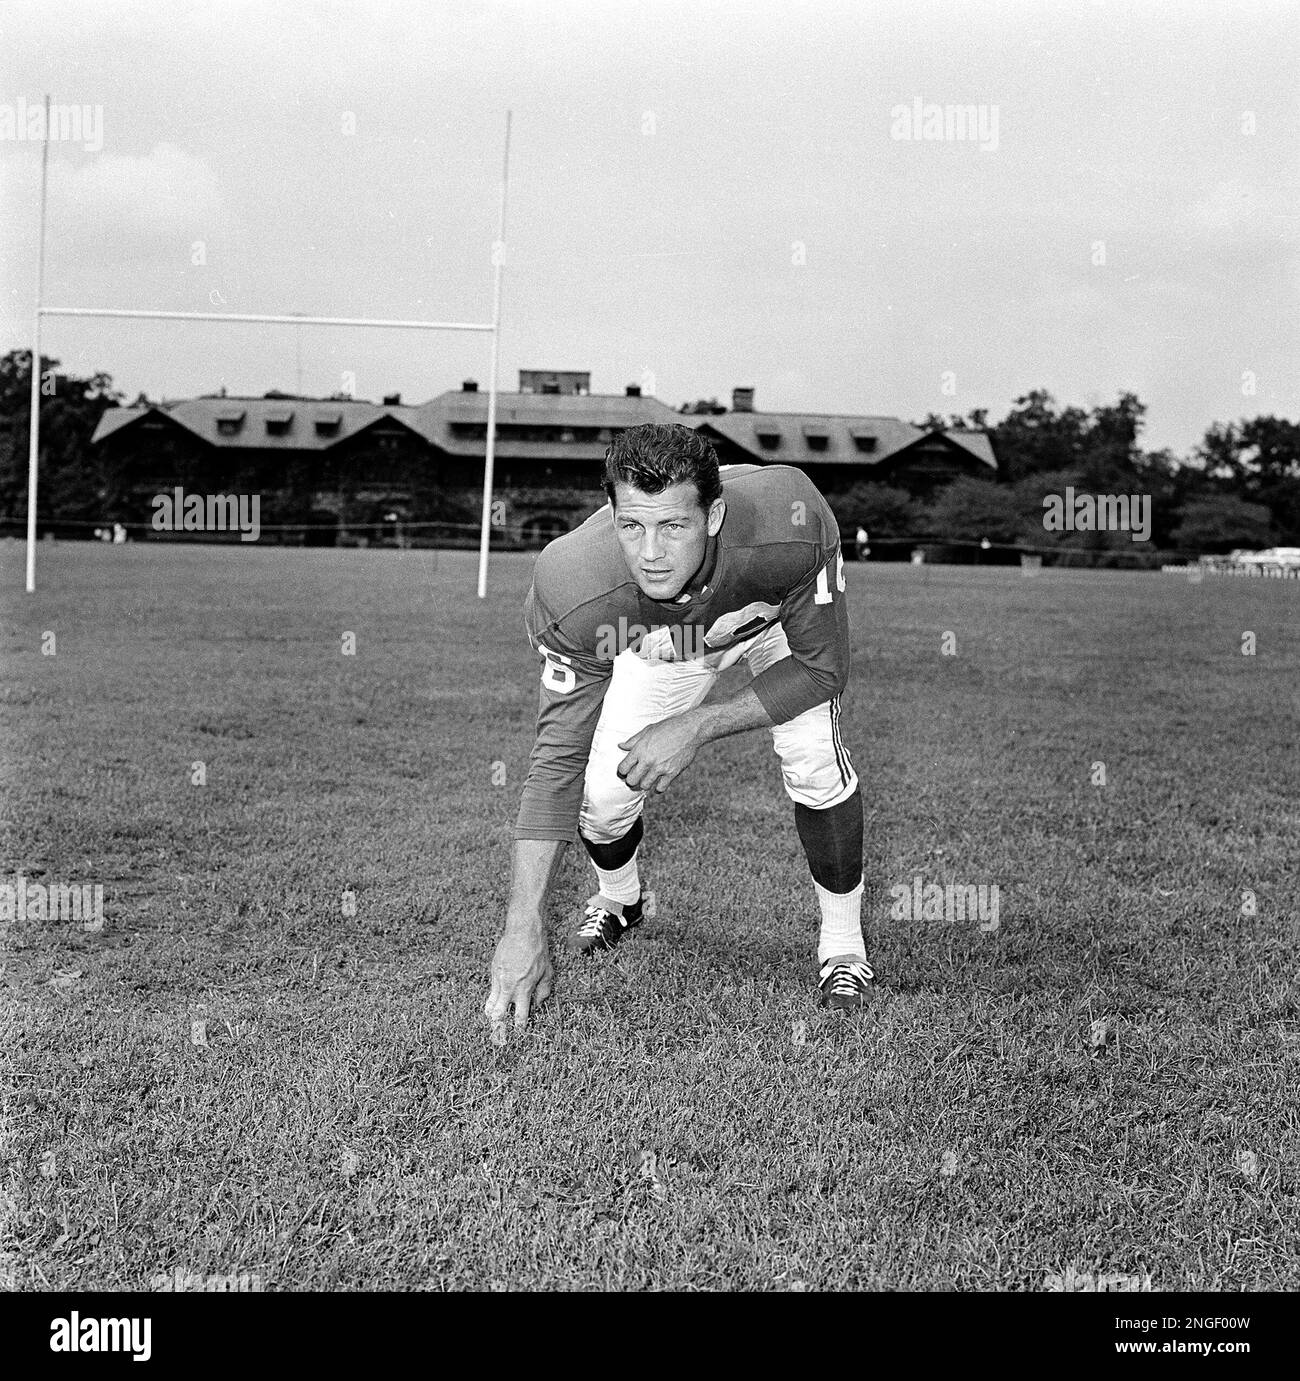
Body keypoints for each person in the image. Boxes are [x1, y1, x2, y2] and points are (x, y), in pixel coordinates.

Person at [485, 423, 873, 1033]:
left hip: (767, 619)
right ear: (610, 513)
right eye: (632, 526)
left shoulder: (787, 524)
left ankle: (844, 945)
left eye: (672, 525)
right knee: (603, 795)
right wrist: (521, 925)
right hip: (666, 639)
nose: (650, 553)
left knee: (814, 756)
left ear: (713, 515)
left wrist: (697, 726)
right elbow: (556, 757)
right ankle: (621, 898)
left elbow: (822, 670)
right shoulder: (576, 585)